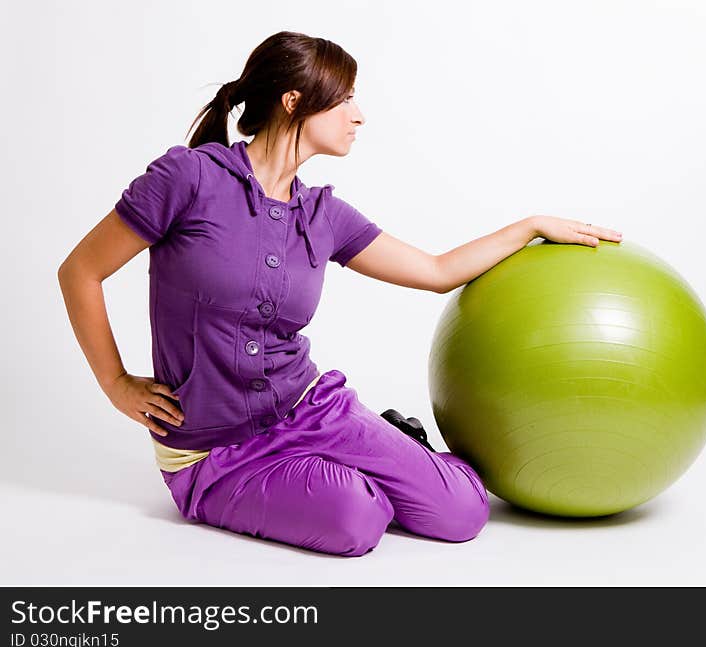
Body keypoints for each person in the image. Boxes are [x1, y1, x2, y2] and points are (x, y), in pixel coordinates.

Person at [57, 31, 623, 557]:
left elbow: (435, 269)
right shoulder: (189, 178)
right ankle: (351, 471)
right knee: (357, 519)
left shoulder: (324, 214)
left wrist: (527, 226)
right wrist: (115, 383)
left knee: (462, 514)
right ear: (294, 101)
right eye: (346, 99)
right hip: (214, 453)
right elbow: (80, 270)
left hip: (309, 410)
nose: (359, 115)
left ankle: (395, 446)